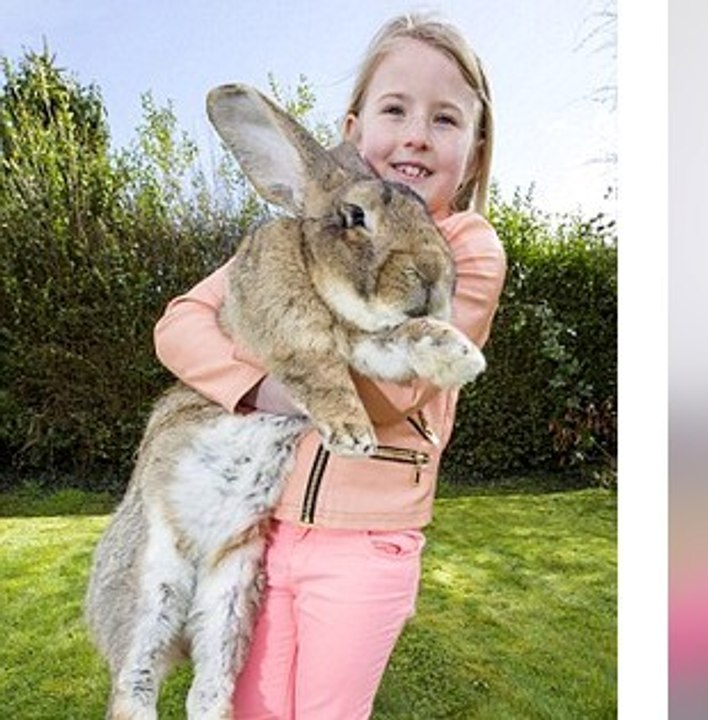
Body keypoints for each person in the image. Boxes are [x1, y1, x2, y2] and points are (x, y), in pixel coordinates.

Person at [152, 15, 505, 719]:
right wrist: (261, 387)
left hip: (366, 545)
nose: (415, 134)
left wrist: (289, 357)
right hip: (263, 525)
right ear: (352, 131)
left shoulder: (463, 246)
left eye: (445, 119)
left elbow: (393, 391)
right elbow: (180, 325)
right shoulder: (304, 236)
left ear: (473, 150)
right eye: (395, 109)